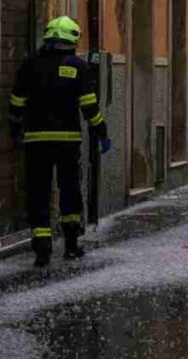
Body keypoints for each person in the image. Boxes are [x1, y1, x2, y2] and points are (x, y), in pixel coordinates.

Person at [9, 16, 110, 267]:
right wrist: (101, 132)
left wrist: (14, 128)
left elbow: (17, 102)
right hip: (67, 141)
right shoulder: (78, 66)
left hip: (35, 141)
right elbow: (89, 106)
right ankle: (71, 245)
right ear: (73, 40)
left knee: (39, 192)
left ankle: (42, 249)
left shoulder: (30, 64)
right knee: (69, 191)